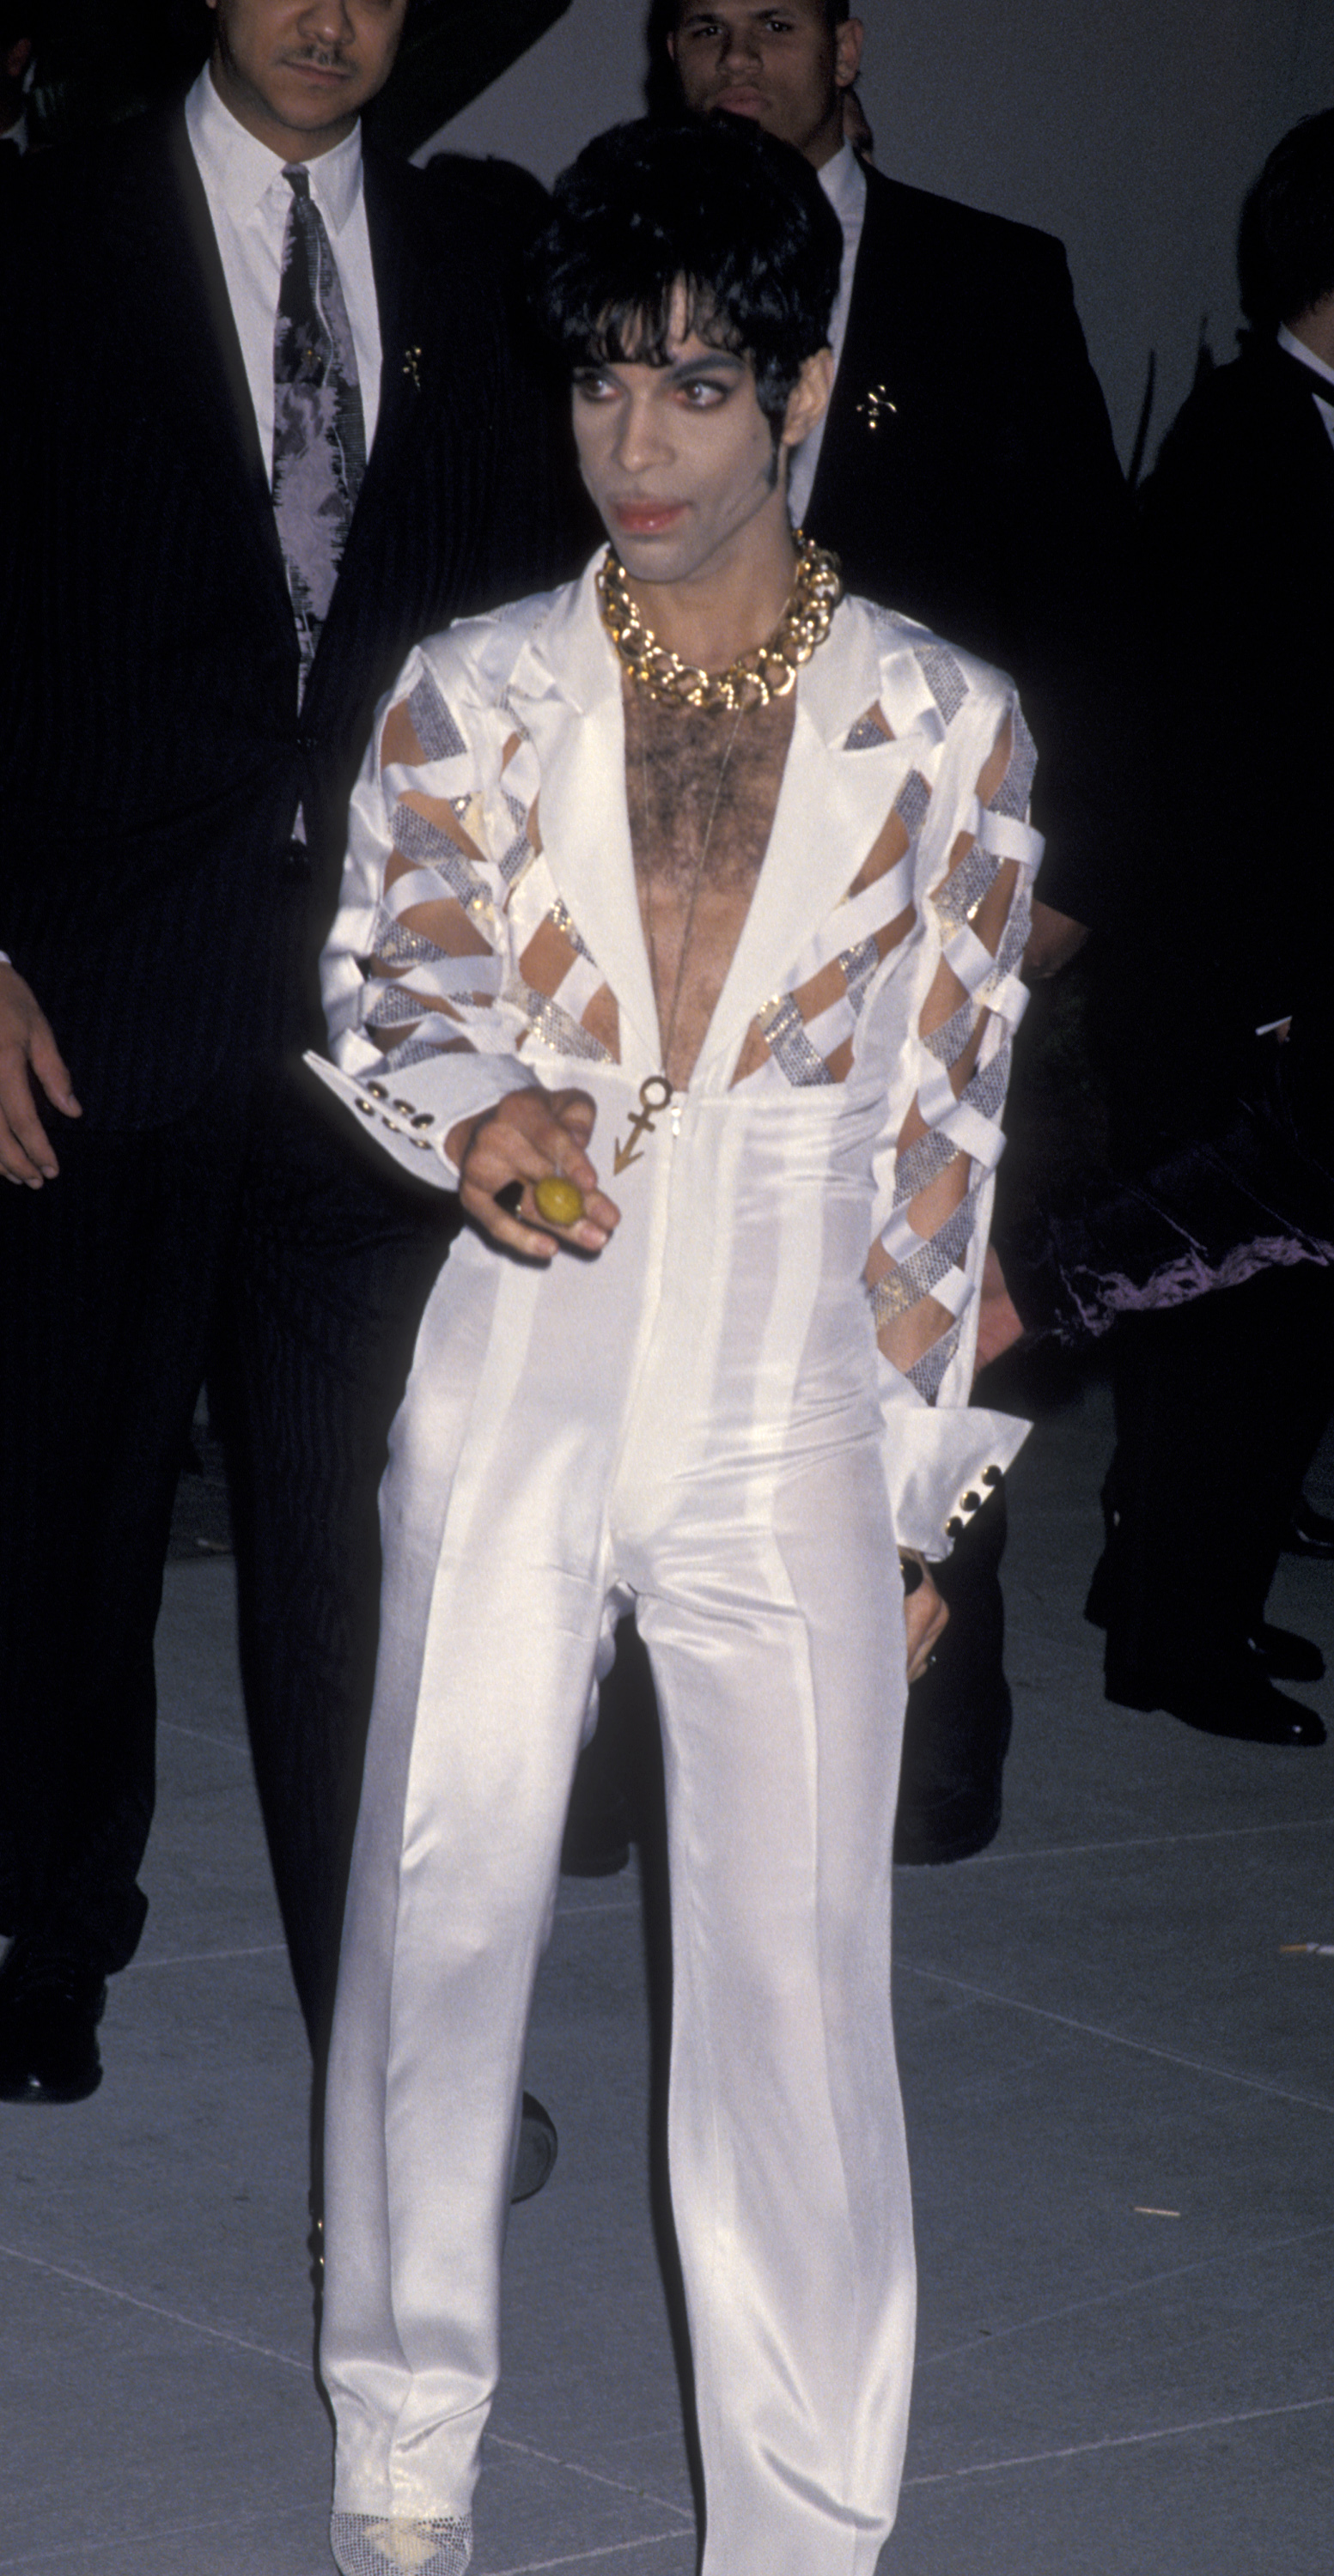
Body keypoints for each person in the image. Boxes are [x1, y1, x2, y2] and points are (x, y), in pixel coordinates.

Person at [311, 113, 1038, 2576]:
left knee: (799, 2013)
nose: (637, 443)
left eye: (698, 388)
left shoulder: (948, 727)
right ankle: (403, 2449)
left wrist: (931, 1489)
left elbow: (950, 1142)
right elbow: (383, 972)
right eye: (603, 385)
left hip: (791, 1386)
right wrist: (469, 1099)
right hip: (522, 1345)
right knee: (440, 1908)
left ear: (802, 390)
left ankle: (803, 2538)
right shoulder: (474, 687)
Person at [0, 0, 564, 2179]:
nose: (333, 14)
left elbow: (538, 626)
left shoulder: (485, 262)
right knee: (62, 1523)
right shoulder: (42, 238)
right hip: (94, 1014)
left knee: (372, 1558)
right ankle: (45, 1933)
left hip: (389, 1043)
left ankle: (400, 2046)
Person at [564, 0, 1127, 1874]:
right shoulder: (615, 281)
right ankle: (626, 1753)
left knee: (926, 1324)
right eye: (698, 27)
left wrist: (1043, 907)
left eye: (772, 23)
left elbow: (1090, 618)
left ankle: (919, 1740)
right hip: (677, 948)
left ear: (849, 42)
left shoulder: (989, 277)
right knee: (648, 1353)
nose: (736, 58)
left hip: (943, 933)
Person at [1082, 109, 1334, 1748]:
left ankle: (1166, 1594)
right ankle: (1180, 1641)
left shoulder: (1286, 434)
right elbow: (1224, 760)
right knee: (1249, 1316)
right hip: (1244, 979)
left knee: (1237, 1319)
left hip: (1262, 968)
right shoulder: (1248, 448)